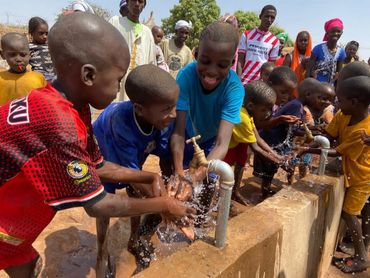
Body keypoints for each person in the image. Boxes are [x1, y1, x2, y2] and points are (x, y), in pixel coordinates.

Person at [0, 13, 194, 277]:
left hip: (12, 215)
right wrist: (165, 205)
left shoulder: (63, 104)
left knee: (27, 265)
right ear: (89, 75)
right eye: (117, 80)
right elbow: (98, 205)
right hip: (5, 219)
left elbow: (97, 165)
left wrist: (148, 175)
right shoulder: (60, 125)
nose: (118, 90)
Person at [93, 64, 178, 270]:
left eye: (174, 106)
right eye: (167, 109)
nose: (174, 114)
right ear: (140, 109)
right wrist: (164, 206)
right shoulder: (121, 122)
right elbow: (133, 176)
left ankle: (135, 239)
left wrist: (173, 188)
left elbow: (166, 159)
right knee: (105, 200)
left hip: (135, 147)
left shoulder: (162, 119)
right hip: (107, 146)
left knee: (138, 191)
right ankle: (102, 251)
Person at [170, 22, 244, 220]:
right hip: (185, 135)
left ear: (232, 62)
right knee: (171, 184)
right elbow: (177, 132)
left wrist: (194, 178)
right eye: (205, 60)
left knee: (208, 183)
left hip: (211, 140)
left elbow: (222, 144)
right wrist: (180, 174)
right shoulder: (186, 76)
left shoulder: (234, 89)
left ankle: (200, 221)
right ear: (196, 54)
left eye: (222, 65)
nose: (211, 71)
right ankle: (163, 220)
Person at [298, 76, 370, 273]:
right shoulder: (343, 114)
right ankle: (359, 244)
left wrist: (306, 150)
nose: (336, 103)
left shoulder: (363, 130)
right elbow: (329, 135)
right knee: (356, 210)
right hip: (350, 170)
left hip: (362, 177)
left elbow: (337, 151)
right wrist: (310, 143)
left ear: (354, 102)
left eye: (340, 99)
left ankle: (362, 256)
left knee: (349, 212)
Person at [223, 81, 284, 205]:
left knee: (241, 163)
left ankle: (235, 192)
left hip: (237, 142)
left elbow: (258, 138)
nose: (268, 114)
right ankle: (223, 198)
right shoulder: (243, 117)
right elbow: (256, 147)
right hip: (226, 145)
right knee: (222, 171)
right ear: (251, 106)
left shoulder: (248, 112)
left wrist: (277, 155)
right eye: (264, 110)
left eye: (269, 109)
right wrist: (277, 161)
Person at [254, 68, 305, 196]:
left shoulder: (276, 104)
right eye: (283, 92)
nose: (286, 97)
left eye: (289, 93)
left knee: (270, 168)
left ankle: (264, 192)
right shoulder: (263, 103)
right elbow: (260, 125)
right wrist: (279, 119)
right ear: (270, 85)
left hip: (260, 140)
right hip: (256, 139)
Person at [109, 0, 156, 101]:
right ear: (127, 2)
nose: (137, 4)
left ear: (144, 5)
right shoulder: (116, 23)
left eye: (141, 1)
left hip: (137, 88)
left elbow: (151, 65)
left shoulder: (147, 33)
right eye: (134, 0)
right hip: (115, 85)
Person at [237, 5, 280, 85]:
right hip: (244, 81)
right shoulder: (247, 35)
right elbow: (240, 60)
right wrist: (238, 82)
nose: (269, 20)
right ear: (260, 16)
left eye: (272, 17)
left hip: (261, 85)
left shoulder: (274, 41)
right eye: (266, 16)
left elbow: (271, 66)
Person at [0, 32, 46, 106]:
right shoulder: (1, 78)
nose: (18, 59)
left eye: (23, 55)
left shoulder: (38, 78)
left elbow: (44, 102)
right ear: (3, 55)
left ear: (30, 55)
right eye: (12, 55)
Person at [306, 18, 346, 85]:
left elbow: (339, 73)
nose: (336, 33)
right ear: (327, 33)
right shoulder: (317, 49)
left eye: (338, 31)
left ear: (341, 33)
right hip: (316, 86)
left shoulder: (341, 52)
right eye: (332, 31)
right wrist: (307, 85)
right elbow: (309, 70)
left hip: (330, 88)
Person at [283, 31, 312, 97]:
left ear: (309, 42)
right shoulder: (290, 57)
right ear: (297, 42)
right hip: (291, 93)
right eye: (300, 40)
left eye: (305, 40)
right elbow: (283, 76)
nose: (303, 43)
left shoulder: (313, 57)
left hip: (307, 93)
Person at [28, 17, 55, 81]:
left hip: (52, 81)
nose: (45, 36)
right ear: (31, 32)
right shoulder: (28, 47)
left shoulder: (51, 46)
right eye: (41, 33)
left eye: (46, 33)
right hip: (36, 80)